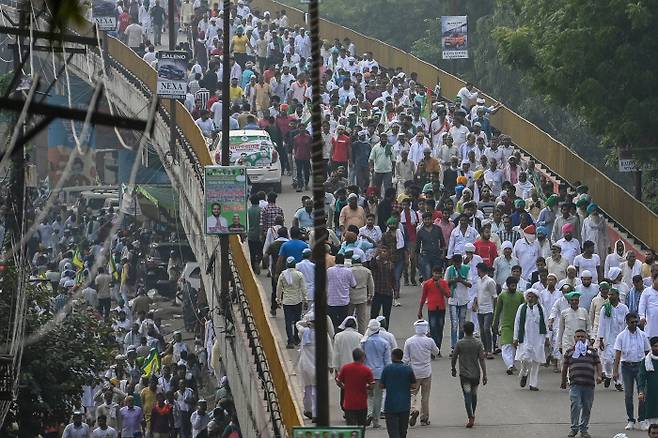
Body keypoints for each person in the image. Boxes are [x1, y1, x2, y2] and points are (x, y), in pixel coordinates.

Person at [561, 329, 603, 438]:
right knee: (575, 405)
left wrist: (599, 376)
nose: (580, 338)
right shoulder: (570, 351)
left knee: (587, 407)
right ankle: (574, 428)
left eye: (582, 337)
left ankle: (584, 430)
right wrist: (563, 381)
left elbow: (598, 364)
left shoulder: (592, 351)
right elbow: (565, 367)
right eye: (578, 337)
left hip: (589, 385)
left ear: (586, 338)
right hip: (575, 384)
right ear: (574, 338)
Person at [614, 312, 652, 431]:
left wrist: (650, 368)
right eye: (632, 322)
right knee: (628, 395)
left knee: (642, 393)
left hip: (640, 366)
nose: (635, 324)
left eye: (636, 321)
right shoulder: (621, 336)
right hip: (626, 367)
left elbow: (647, 353)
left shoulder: (642, 335)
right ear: (627, 322)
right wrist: (615, 371)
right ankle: (631, 420)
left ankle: (642, 419)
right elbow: (618, 354)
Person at [451, 321, 487, 428]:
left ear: (464, 330)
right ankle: (473, 413)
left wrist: (453, 368)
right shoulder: (478, 343)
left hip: (464, 374)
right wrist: (485, 374)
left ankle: (470, 416)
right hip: (476, 374)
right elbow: (481, 359)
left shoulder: (460, 343)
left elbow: (454, 357)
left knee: (467, 395)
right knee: (474, 394)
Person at [403, 320, 439, 427]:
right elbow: (436, 352)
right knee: (425, 396)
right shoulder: (429, 341)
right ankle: (424, 418)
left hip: (414, 372)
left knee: (412, 393)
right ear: (426, 329)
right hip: (426, 372)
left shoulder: (409, 341)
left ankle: (413, 409)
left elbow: (405, 359)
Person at [513, 288, 549, 391]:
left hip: (538, 338)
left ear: (537, 298)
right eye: (529, 296)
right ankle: (524, 372)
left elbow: (545, 322)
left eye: (533, 296)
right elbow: (517, 322)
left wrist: (547, 337)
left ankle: (533, 384)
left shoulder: (541, 308)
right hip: (525, 337)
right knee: (524, 359)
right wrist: (515, 338)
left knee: (536, 361)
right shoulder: (522, 308)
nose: (530, 298)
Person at [361, 319, 391, 428]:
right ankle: (376, 421)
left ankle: (369, 413)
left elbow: (362, 358)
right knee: (378, 397)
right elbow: (387, 361)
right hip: (380, 373)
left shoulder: (364, 342)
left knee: (369, 396)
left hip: (367, 373)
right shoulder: (384, 343)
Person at [380, 348, 416, 438]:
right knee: (403, 431)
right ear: (401, 356)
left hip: (390, 405)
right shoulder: (408, 369)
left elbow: (381, 385)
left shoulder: (387, 369)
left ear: (392, 356)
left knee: (393, 432)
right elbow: (414, 385)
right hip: (404, 405)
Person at [597, 288, 629, 390]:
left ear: (617, 296)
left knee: (619, 360)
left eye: (612, 294)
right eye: (609, 295)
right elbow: (601, 324)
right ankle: (608, 375)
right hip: (608, 338)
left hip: (621, 338)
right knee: (608, 360)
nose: (609, 296)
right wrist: (600, 339)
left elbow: (627, 322)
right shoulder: (605, 308)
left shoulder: (623, 308)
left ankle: (618, 382)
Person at [493, 276, 525, 374]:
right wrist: (495, 324)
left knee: (515, 346)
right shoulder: (502, 296)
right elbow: (497, 311)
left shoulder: (520, 296)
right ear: (507, 285)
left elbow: (524, 311)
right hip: (506, 325)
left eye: (515, 285)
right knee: (506, 346)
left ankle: (512, 363)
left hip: (518, 325)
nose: (513, 287)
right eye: (511, 285)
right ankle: (510, 366)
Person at [336, 348, 375, 428]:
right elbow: (372, 385)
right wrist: (366, 387)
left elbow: (338, 381)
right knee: (361, 428)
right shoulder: (367, 370)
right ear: (362, 357)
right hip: (362, 404)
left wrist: (344, 387)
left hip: (349, 404)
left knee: (351, 429)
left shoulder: (346, 368)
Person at [418, 266, 450, 356]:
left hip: (441, 308)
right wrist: (420, 310)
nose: (437, 275)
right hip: (431, 308)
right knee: (433, 328)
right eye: (435, 273)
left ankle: (437, 349)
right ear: (433, 273)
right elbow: (423, 297)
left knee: (440, 329)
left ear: (441, 274)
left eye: (438, 273)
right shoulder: (427, 283)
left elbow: (448, 294)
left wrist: (440, 287)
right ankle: (433, 349)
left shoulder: (443, 283)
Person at [333, 316, 363, 411]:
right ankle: (354, 407)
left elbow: (336, 354)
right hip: (357, 367)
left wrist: (336, 370)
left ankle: (345, 406)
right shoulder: (360, 337)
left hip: (343, 367)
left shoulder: (338, 336)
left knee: (344, 388)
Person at [277, 256, 308, 348]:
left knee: (288, 321)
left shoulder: (282, 275)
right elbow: (303, 288)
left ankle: (290, 341)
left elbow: (279, 289)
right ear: (294, 264)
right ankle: (296, 338)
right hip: (297, 300)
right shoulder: (299, 275)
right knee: (297, 320)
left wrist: (278, 299)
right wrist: (305, 299)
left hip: (287, 301)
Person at [446, 254, 471, 353]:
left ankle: (460, 344)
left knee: (461, 324)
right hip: (453, 299)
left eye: (459, 263)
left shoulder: (466, 269)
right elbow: (445, 282)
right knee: (454, 324)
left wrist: (461, 280)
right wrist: (453, 280)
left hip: (463, 299)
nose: (457, 265)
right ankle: (453, 347)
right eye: (455, 263)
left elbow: (470, 284)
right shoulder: (449, 270)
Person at [326, 253, 357, 331]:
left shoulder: (329, 271)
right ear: (343, 261)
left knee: (333, 322)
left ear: (335, 261)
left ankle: (334, 336)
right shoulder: (348, 271)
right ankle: (341, 335)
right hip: (344, 301)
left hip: (331, 301)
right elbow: (354, 285)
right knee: (343, 321)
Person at [473, 262, 497, 358]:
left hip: (489, 309)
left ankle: (490, 350)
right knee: (482, 330)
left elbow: (495, 296)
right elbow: (477, 294)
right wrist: (475, 304)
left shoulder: (490, 281)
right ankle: (485, 350)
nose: (477, 272)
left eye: (478, 270)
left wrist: (495, 310)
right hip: (480, 309)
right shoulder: (478, 281)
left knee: (487, 329)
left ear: (481, 270)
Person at [349, 254, 374, 335]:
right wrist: (371, 295)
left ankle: (350, 334)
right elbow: (371, 285)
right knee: (362, 319)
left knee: (349, 317)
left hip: (351, 296)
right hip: (362, 297)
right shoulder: (367, 271)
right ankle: (361, 335)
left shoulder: (349, 270)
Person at [638, 337, 658, 426]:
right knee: (652, 425)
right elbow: (641, 377)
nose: (657, 348)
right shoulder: (646, 361)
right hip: (651, 396)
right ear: (651, 347)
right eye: (655, 346)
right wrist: (641, 391)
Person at [639, 273, 658, 338]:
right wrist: (642, 317)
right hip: (651, 321)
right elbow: (642, 305)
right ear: (653, 280)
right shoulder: (646, 291)